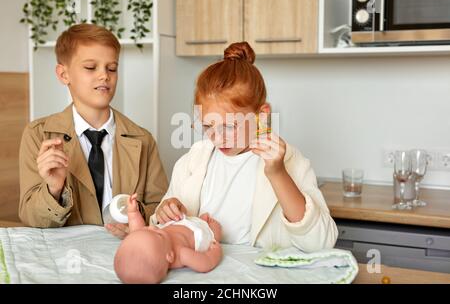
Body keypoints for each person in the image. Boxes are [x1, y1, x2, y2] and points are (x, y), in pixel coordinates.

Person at [152, 42, 338, 252]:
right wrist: (166, 212)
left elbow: (320, 243)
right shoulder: (192, 161)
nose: (218, 139)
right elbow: (161, 230)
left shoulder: (291, 161)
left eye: (230, 126)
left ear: (262, 115)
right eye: (207, 126)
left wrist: (278, 174)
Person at [19, 24, 168, 233]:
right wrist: (54, 189)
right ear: (63, 74)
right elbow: (31, 218)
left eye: (112, 68)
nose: (104, 76)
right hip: (67, 257)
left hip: (125, 254)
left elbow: (160, 209)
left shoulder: (143, 139)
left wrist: (136, 217)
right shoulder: (37, 135)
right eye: (90, 67)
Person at [114, 194, 222, 284]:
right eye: (158, 235)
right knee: (214, 234)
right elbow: (205, 263)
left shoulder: (153, 243)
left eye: (147, 231)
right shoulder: (181, 254)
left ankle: (197, 220)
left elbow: (137, 230)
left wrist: (132, 213)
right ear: (170, 256)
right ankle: (207, 226)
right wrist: (215, 252)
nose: (151, 227)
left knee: (182, 219)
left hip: (177, 223)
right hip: (197, 232)